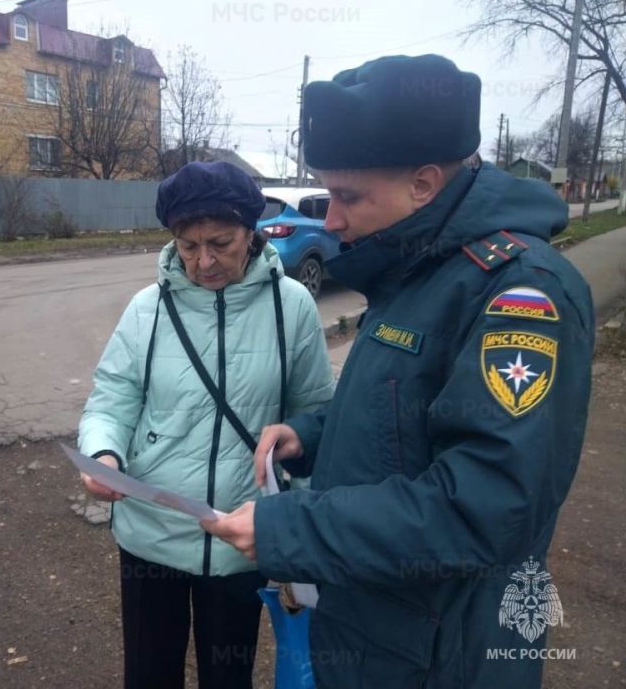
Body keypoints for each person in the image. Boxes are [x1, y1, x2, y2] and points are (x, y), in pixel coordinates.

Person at [202, 54, 594, 689]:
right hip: (374, 631)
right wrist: (314, 434)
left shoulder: (520, 295)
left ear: (424, 183)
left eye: (347, 196)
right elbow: (406, 410)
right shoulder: (421, 269)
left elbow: (481, 508)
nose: (329, 219)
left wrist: (291, 528)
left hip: (440, 655)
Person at [77, 161, 335, 689]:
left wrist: (306, 515)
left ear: (252, 232)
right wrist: (104, 455)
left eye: (220, 242)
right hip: (152, 535)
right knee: (150, 675)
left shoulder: (293, 307)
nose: (203, 261)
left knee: (227, 675)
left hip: (241, 536)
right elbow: (113, 397)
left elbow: (315, 411)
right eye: (188, 244)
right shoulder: (147, 310)